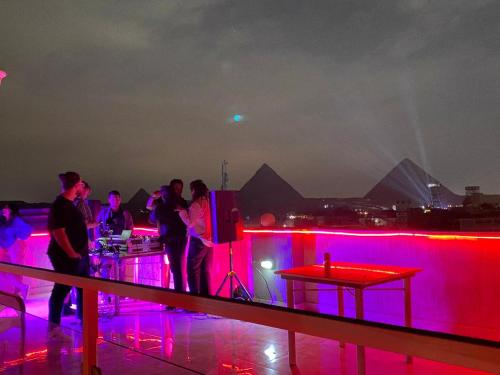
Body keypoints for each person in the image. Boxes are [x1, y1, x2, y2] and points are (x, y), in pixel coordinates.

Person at [47, 172, 89, 341]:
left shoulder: (68, 204)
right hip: (67, 257)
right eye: (81, 183)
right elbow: (59, 232)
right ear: (75, 185)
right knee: (61, 289)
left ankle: (84, 321)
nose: (82, 186)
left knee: (83, 288)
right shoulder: (61, 205)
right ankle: (54, 328)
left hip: (77, 255)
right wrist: (71, 253)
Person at [147, 180, 188, 294]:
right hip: (180, 238)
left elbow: (151, 218)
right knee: (178, 269)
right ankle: (180, 297)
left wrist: (155, 200)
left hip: (171, 240)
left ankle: (179, 298)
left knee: (176, 269)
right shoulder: (181, 203)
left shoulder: (162, 207)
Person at [178, 180, 213, 296]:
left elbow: (190, 223)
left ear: (194, 190)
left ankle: (194, 300)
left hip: (198, 240)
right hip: (209, 241)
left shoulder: (196, 204)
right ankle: (206, 299)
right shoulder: (208, 202)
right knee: (205, 271)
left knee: (192, 270)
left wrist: (182, 212)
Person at [0, 203, 32, 299]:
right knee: (5, 270)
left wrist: (16, 237)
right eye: (3, 208)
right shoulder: (4, 220)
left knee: (13, 270)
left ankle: (19, 292)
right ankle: (21, 289)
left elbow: (27, 232)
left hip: (15, 248)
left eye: (6, 208)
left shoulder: (16, 221)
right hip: (8, 249)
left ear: (11, 210)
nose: (3, 210)